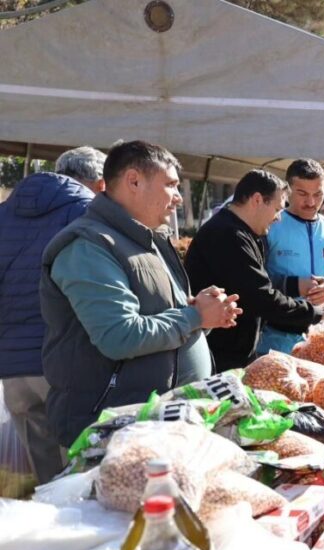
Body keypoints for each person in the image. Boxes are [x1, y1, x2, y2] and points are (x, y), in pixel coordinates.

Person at [40, 140, 242, 448]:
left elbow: (161, 314)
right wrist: (194, 316)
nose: (177, 198)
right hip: (108, 431)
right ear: (134, 181)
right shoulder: (88, 247)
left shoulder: (148, 240)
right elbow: (119, 335)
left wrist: (203, 313)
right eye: (171, 185)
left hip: (157, 424)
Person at [0, 146, 105, 483]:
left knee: (43, 475)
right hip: (65, 361)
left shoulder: (5, 212)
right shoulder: (88, 213)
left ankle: (47, 531)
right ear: (101, 183)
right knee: (80, 473)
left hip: (12, 366)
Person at [184, 170, 324, 370]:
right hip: (219, 355)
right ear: (257, 200)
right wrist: (315, 313)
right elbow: (260, 297)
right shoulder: (227, 234)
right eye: (277, 209)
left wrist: (299, 294)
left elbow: (257, 286)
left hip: (235, 351)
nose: (278, 219)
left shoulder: (244, 233)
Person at [259, 159, 324, 354]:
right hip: (276, 340)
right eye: (302, 194)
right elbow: (254, 283)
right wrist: (296, 285)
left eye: (318, 194)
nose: (311, 202)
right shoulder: (269, 227)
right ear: (287, 191)